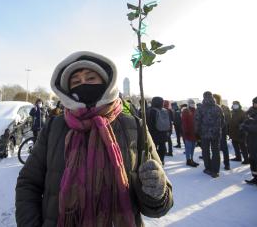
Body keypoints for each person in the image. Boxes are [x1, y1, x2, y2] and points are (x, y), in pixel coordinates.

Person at [16, 51, 173, 226]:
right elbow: (28, 183)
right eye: (75, 81)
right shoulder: (54, 127)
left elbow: (159, 206)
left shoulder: (135, 126)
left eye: (90, 78)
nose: (83, 84)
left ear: (106, 83)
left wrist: (156, 193)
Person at [195, 91, 224, 178]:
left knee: (205, 151)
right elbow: (223, 121)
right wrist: (218, 129)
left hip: (204, 134)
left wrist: (197, 132)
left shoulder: (200, 108)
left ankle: (208, 168)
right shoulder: (218, 107)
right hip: (216, 133)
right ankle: (216, 171)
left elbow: (197, 121)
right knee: (216, 151)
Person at [147, 96, 171, 164]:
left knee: (153, 147)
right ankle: (162, 160)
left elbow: (150, 123)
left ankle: (155, 161)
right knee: (162, 147)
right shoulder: (165, 110)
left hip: (154, 133)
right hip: (163, 133)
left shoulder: (152, 111)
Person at [213, 94, 231, 170]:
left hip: (221, 131)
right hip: (217, 131)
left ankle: (226, 164)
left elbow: (228, 120)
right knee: (217, 149)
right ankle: (219, 164)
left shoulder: (223, 108)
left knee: (223, 149)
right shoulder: (213, 108)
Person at [182, 99, 199, 167]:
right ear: (188, 104)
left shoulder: (196, 110)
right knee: (188, 148)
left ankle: (191, 159)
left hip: (195, 133)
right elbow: (184, 121)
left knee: (193, 147)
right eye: (191, 103)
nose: (192, 104)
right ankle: (188, 160)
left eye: (193, 103)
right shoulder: (185, 111)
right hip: (188, 132)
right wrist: (186, 131)